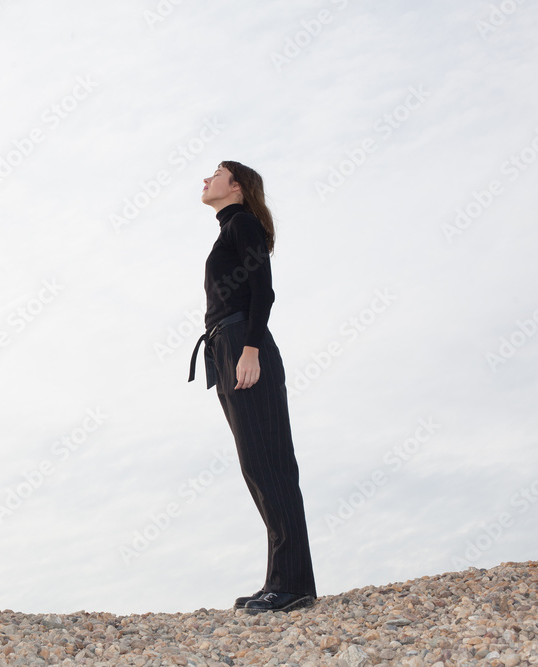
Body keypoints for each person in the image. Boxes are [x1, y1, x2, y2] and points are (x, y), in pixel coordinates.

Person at [188, 161, 317, 613]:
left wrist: (250, 349)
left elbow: (263, 290)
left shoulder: (243, 223)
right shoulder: (230, 228)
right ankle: (282, 581)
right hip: (226, 346)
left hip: (244, 342)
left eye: (216, 173)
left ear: (237, 186)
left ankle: (293, 585)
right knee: (257, 467)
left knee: (271, 464)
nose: (206, 179)